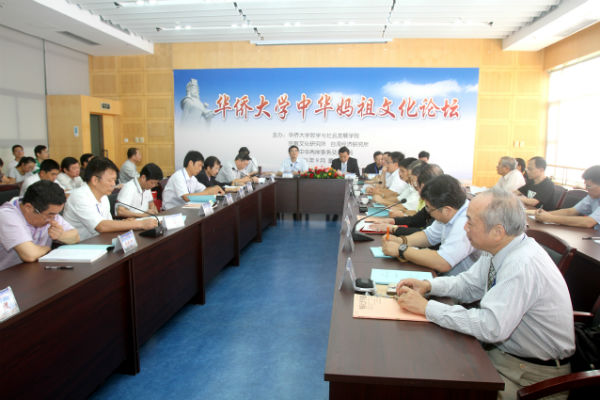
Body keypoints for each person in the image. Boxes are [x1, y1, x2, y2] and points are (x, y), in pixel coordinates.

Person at [395, 189, 574, 399]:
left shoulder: (521, 264)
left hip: (530, 375)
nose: (465, 227)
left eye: (470, 222)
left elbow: (491, 327)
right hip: (502, 355)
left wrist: (427, 308)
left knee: (435, 384)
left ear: (497, 231)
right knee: (427, 362)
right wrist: (428, 286)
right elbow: (469, 285)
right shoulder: (500, 248)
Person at [382, 174, 479, 276]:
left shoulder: (465, 222)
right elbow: (428, 236)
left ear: (447, 210)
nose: (428, 212)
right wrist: (400, 240)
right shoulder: (451, 211)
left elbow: (443, 262)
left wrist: (400, 249)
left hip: (457, 282)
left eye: (429, 208)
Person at [63, 157, 158, 241]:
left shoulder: (103, 196)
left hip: (100, 241)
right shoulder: (79, 196)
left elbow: (108, 223)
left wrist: (123, 223)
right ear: (95, 180)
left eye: (114, 180)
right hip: (81, 247)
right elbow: (101, 226)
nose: (113, 184)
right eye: (110, 180)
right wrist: (140, 224)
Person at [0, 180, 79, 271]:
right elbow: (29, 255)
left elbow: (75, 236)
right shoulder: (6, 215)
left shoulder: (49, 211)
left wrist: (61, 235)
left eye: (56, 214)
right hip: (7, 275)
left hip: (36, 270)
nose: (53, 219)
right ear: (28, 208)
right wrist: (47, 249)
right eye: (50, 215)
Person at [535, 165, 600, 230]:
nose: (586, 189)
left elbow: (588, 222)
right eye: (585, 185)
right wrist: (545, 214)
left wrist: (550, 218)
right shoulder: (592, 197)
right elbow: (570, 211)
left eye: (588, 186)